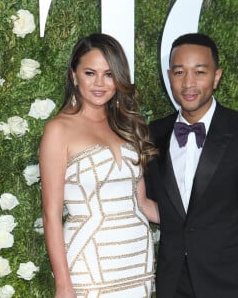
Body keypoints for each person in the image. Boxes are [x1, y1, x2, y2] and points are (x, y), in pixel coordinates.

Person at [144, 33, 238, 298]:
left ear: (216, 76)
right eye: (180, 72)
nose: (189, 83)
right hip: (173, 286)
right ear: (169, 75)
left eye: (200, 72)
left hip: (231, 285)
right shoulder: (154, 134)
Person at [39, 33, 159, 298]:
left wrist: (199, 220)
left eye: (108, 74)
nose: (100, 83)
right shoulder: (59, 130)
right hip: (88, 263)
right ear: (74, 75)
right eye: (90, 73)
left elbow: (142, 203)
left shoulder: (127, 126)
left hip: (137, 261)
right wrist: (63, 285)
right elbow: (51, 213)